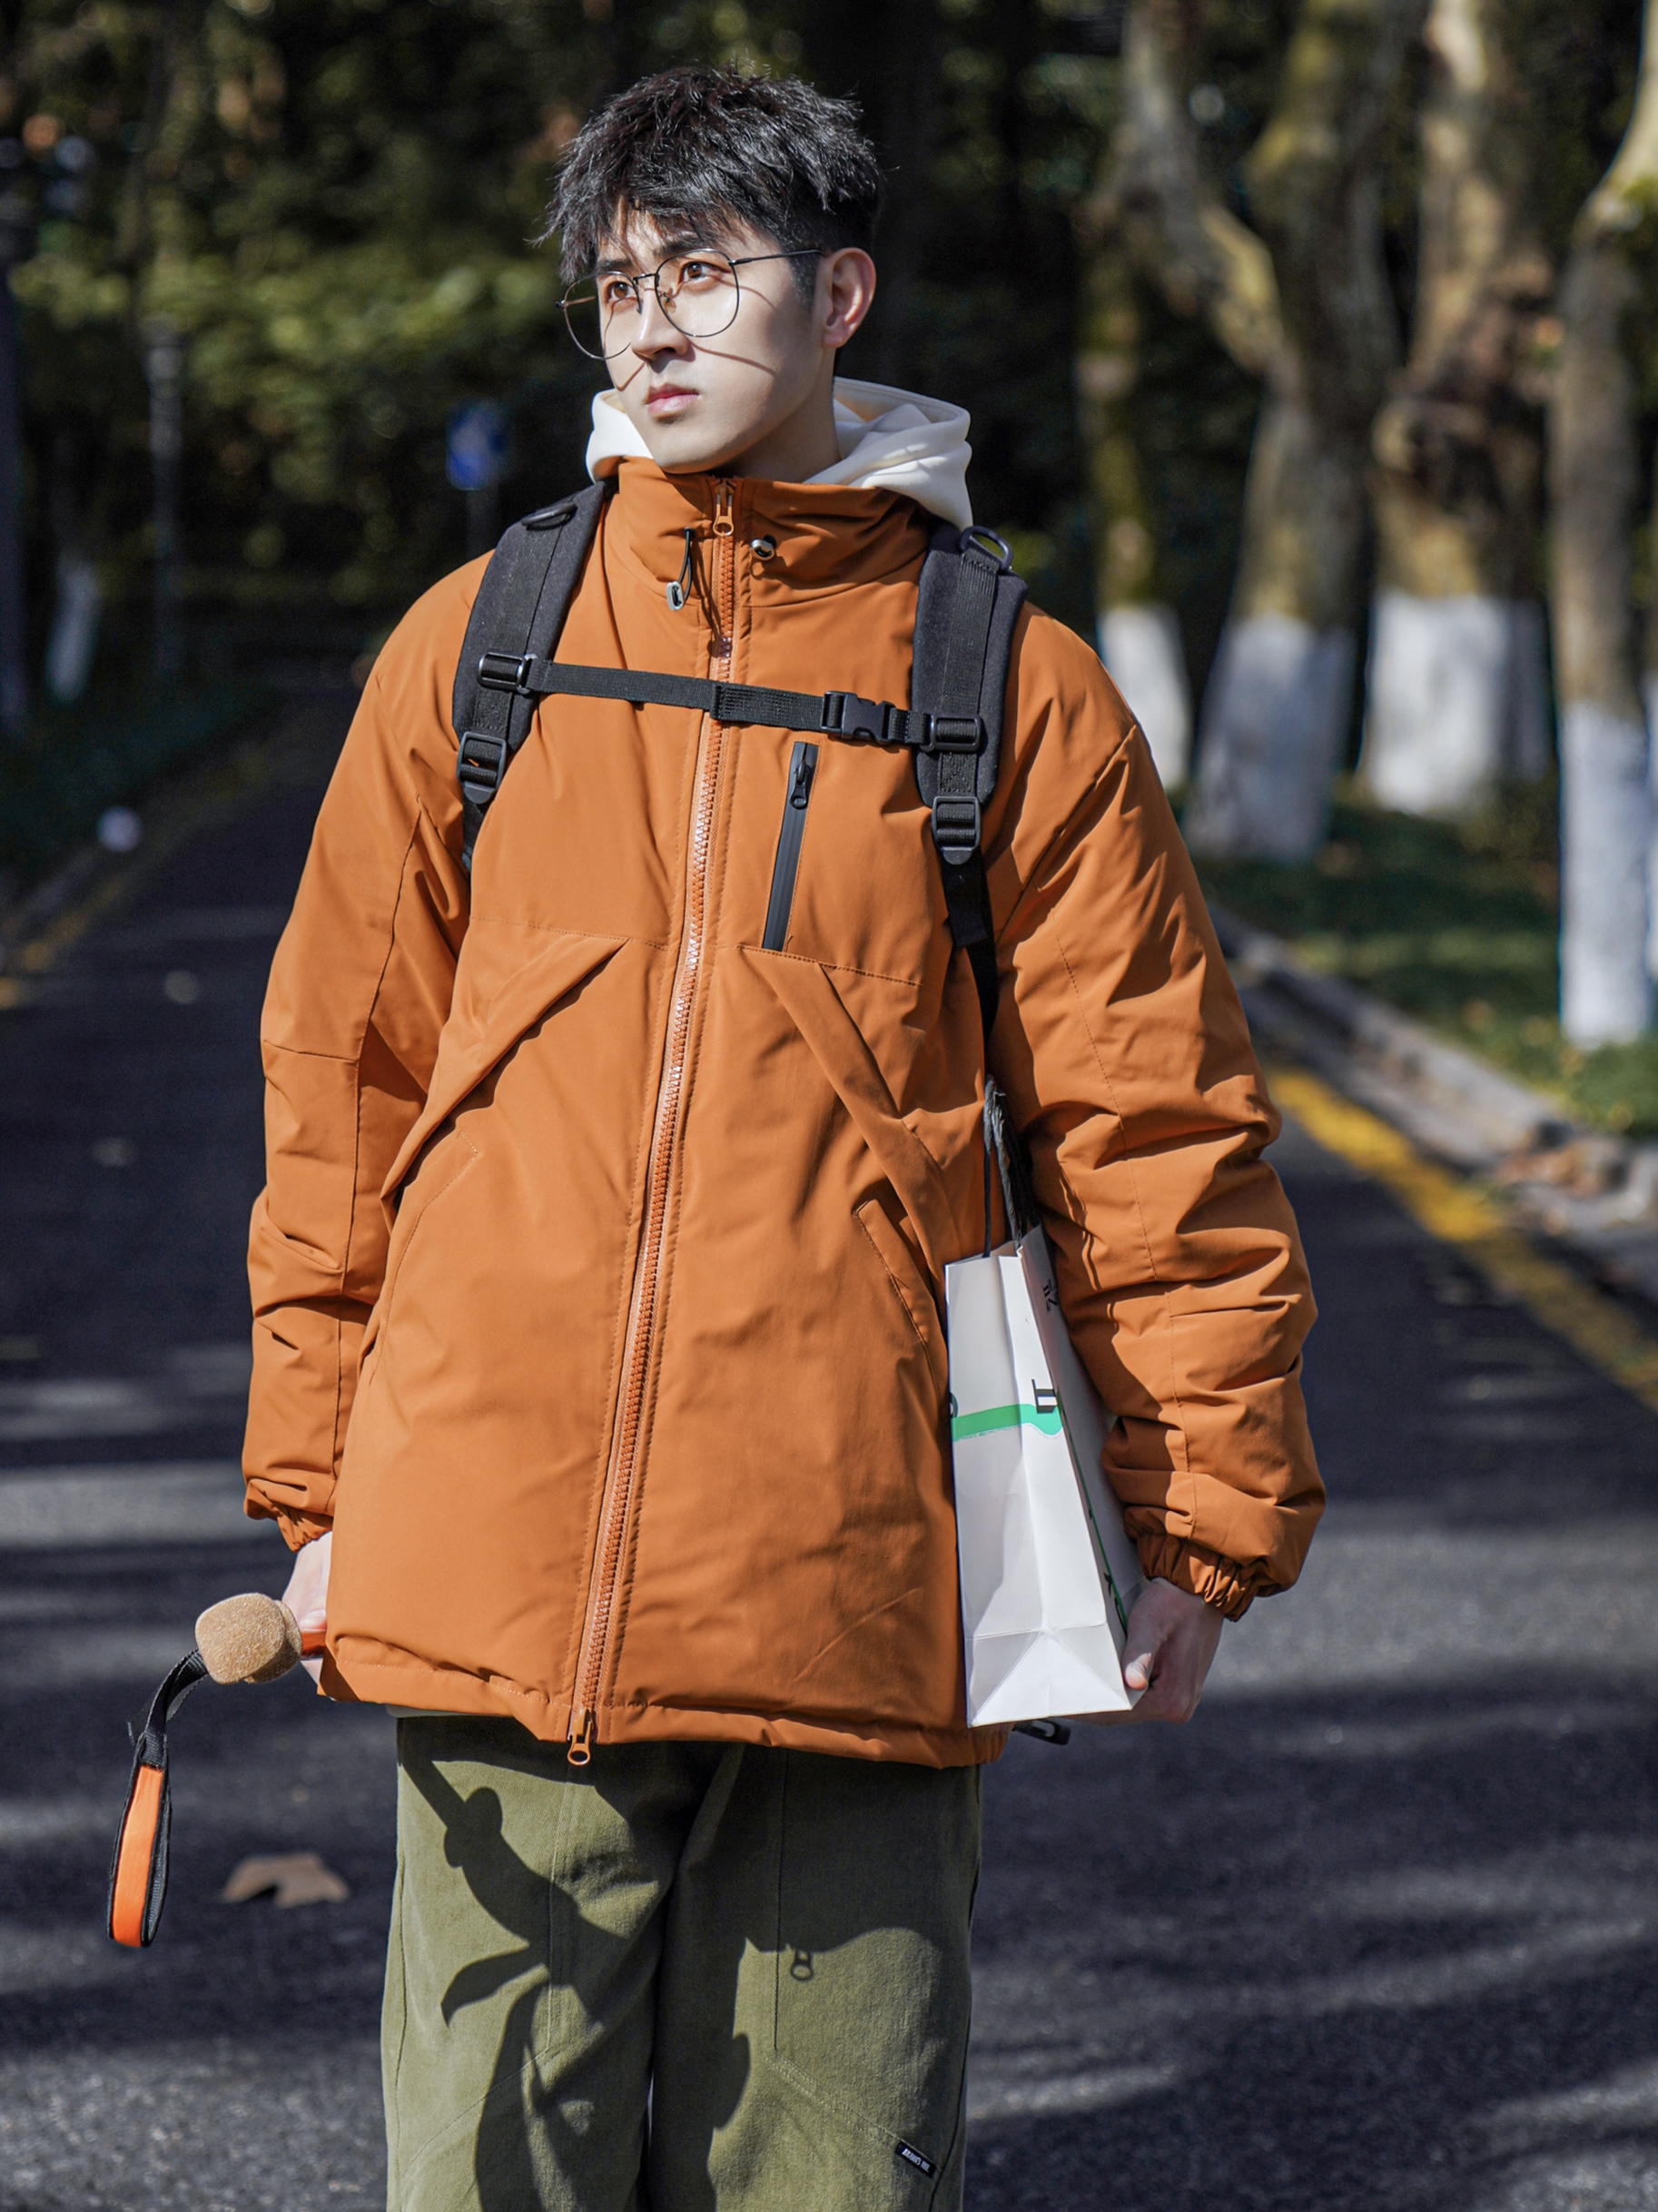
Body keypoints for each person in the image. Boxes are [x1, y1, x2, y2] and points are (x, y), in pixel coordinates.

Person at [244, 64, 1323, 2212]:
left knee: (831, 2179)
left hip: (856, 1575)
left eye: (702, 274)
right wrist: (315, 1485)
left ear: (837, 296)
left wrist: (1204, 1514)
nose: (649, 329)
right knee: (484, 2178)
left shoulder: (1008, 686)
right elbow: (338, 1094)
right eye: (615, 286)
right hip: (496, 1566)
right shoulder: (483, 650)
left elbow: (1150, 1123)